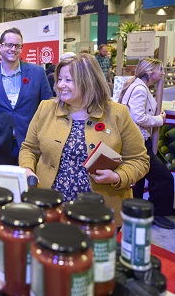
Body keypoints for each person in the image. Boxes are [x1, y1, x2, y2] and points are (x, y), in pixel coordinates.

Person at [19, 53, 149, 226]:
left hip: (98, 212)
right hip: (50, 208)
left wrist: (118, 176)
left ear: (88, 81)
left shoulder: (117, 114)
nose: (60, 85)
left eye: (68, 80)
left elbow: (139, 160)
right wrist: (27, 169)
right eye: (59, 79)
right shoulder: (46, 108)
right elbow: (28, 148)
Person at [0, 27, 52, 165]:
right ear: (0, 47)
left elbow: (47, 107)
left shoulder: (37, 73)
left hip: (30, 143)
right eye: (9, 45)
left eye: (17, 46)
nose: (13, 49)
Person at [118, 58, 175, 229]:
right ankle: (157, 212)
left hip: (134, 140)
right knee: (163, 177)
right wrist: (159, 119)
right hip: (138, 141)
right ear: (150, 72)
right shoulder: (140, 89)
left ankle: (137, 214)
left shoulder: (136, 85)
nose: (163, 73)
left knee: (140, 178)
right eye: (160, 70)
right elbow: (138, 117)